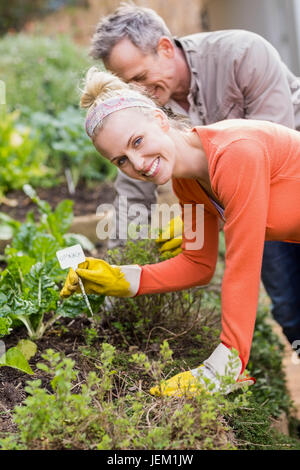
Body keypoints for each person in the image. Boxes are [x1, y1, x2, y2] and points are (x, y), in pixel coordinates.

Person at [61, 67, 300, 396]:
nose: (138, 164)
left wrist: (225, 367)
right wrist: (123, 278)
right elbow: (198, 265)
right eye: (122, 160)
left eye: (138, 142)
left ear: (159, 120)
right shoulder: (188, 183)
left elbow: (242, 266)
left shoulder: (235, 154)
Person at [89, 4, 300, 349]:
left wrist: (208, 217)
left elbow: (264, 150)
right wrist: (116, 274)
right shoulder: (143, 116)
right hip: (241, 198)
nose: (137, 94)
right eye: (128, 86)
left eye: (140, 78)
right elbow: (133, 194)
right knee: (290, 308)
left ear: (166, 48)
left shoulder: (241, 53)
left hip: (283, 176)